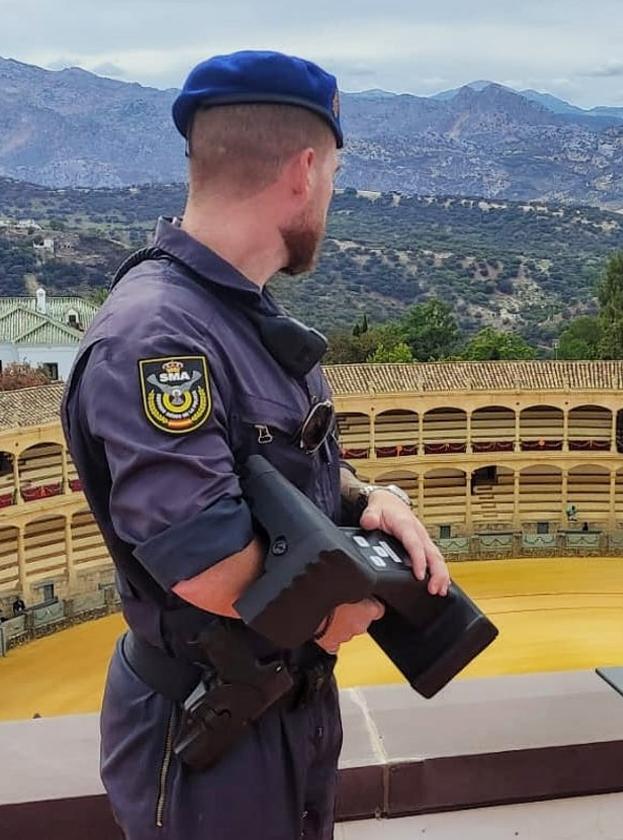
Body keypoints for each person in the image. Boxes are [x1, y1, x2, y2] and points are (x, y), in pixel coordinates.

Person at [60, 51, 450, 840]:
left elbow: (272, 470)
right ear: (305, 171)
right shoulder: (158, 338)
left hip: (276, 707)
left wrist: (369, 500)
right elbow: (205, 562)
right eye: (333, 175)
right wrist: (326, 618)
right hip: (214, 731)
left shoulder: (236, 315)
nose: (330, 196)